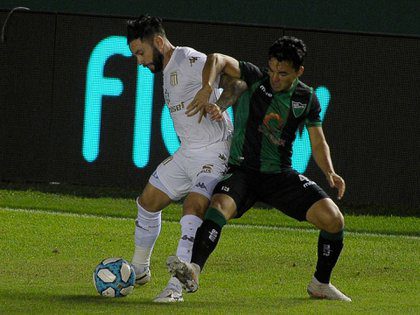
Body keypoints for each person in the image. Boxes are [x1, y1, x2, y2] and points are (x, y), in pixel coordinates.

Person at [167, 36, 352, 302]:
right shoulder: (253, 77)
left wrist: (330, 172)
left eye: (283, 73)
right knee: (218, 207)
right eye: (272, 70)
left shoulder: (307, 98)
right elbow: (216, 57)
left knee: (334, 220)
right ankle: (194, 270)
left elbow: (318, 140)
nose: (275, 77)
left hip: (279, 175)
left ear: (299, 72)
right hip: (243, 171)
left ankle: (320, 284)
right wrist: (207, 87)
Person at [126, 15, 246, 303]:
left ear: (157, 41)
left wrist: (218, 103)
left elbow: (238, 81)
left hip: (215, 150)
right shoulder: (167, 69)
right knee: (147, 201)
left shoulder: (189, 60)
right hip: (188, 150)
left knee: (193, 207)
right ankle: (140, 269)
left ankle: (175, 288)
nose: (139, 62)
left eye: (140, 53)